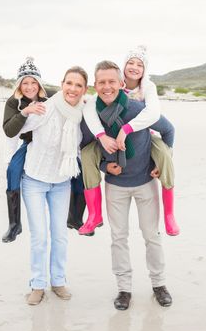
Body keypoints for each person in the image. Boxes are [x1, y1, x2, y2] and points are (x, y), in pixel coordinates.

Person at [80, 60, 174, 310]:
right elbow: (86, 148)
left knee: (151, 236)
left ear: (122, 83)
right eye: (102, 82)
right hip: (115, 187)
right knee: (118, 238)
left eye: (112, 81)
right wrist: (103, 167)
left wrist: (161, 161)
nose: (107, 87)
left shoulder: (138, 109)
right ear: (95, 86)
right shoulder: (92, 115)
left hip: (145, 183)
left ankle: (159, 284)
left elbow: (168, 130)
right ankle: (124, 289)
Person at [80, 45, 179, 236]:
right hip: (112, 143)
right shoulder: (108, 90)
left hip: (146, 130)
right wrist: (101, 136)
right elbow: (90, 108)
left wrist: (126, 129)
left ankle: (169, 215)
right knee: (86, 153)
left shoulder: (147, 88)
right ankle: (94, 215)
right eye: (130, 63)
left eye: (139, 64)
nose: (134, 67)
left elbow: (155, 115)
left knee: (165, 154)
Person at [13, 66, 88, 305]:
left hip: (61, 182)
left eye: (78, 85)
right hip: (34, 179)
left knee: (59, 236)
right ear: (62, 84)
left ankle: (58, 281)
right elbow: (17, 131)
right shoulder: (46, 107)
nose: (72, 89)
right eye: (69, 83)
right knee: (40, 237)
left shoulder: (83, 112)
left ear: (84, 89)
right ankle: (37, 284)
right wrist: (26, 112)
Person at [2, 57, 50, 243]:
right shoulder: (13, 102)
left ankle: (75, 216)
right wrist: (25, 112)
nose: (30, 87)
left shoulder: (49, 96)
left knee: (77, 163)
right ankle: (14, 224)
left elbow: (70, 97)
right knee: (13, 170)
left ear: (39, 83)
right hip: (28, 143)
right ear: (19, 86)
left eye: (33, 82)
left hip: (49, 142)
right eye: (25, 83)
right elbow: (8, 130)